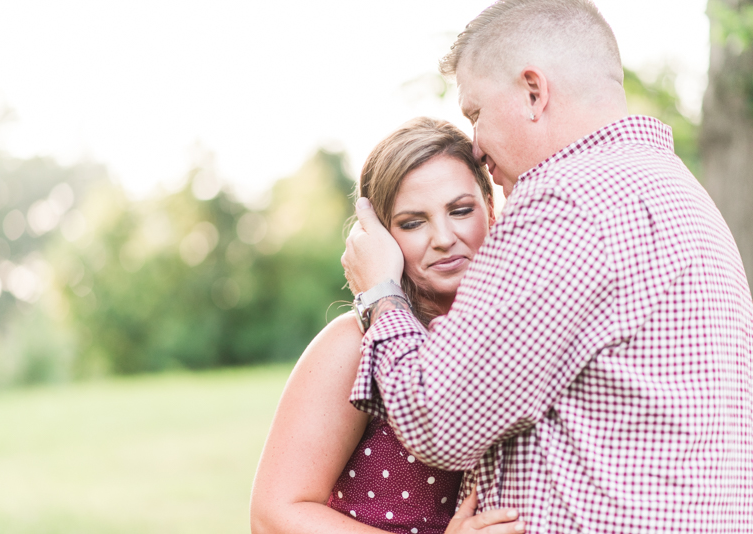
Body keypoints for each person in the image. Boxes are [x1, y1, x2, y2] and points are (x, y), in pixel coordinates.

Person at [341, 1, 753, 533]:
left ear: (533, 92)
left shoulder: (567, 201)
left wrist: (380, 294)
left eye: (475, 114)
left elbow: (438, 417)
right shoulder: (681, 194)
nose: (476, 146)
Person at [250, 117, 524, 534]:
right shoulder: (353, 344)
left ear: (490, 208)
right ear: (377, 237)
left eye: (461, 210)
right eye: (413, 222)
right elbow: (273, 514)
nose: (444, 237)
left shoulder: (522, 328)